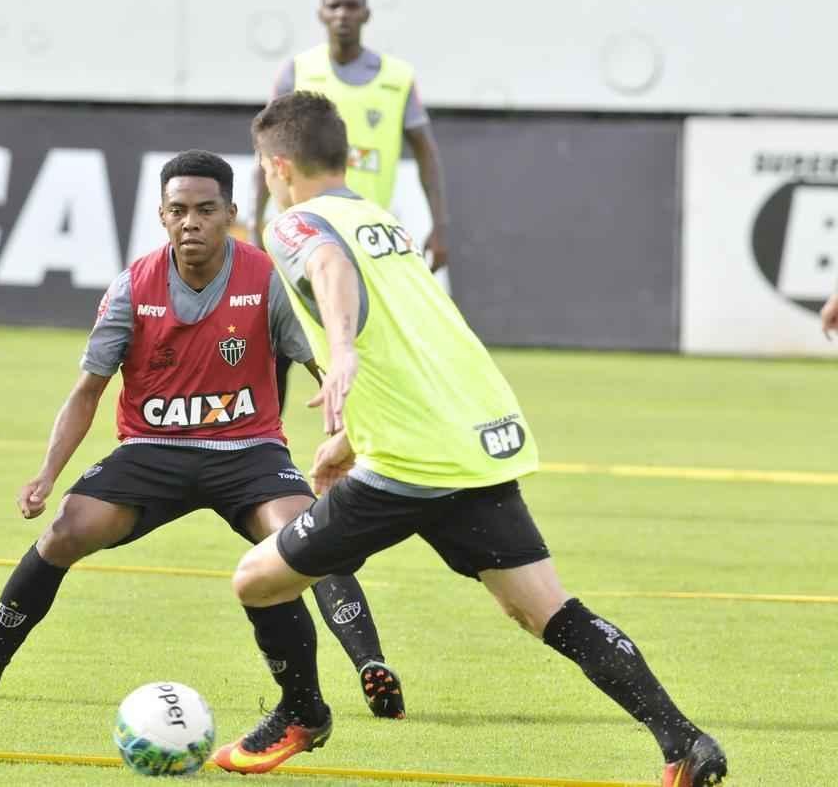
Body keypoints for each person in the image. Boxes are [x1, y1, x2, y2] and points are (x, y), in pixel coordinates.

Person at [210, 93, 728, 787]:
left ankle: (302, 712)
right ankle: (684, 740)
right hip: (471, 445)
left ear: (277, 165)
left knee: (257, 580)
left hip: (410, 467)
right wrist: (353, 438)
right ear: (347, 156)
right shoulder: (377, 217)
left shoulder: (292, 222)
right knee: (543, 608)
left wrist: (339, 351)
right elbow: (412, 343)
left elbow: (329, 273)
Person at [0, 150, 405, 720]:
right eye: (178, 210)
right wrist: (47, 474)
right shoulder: (133, 287)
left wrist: (357, 431)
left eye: (206, 210)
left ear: (231, 212)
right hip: (151, 452)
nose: (191, 222)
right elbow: (88, 391)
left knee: (308, 536)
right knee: (65, 530)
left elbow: (326, 371)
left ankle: (372, 669)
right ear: (161, 214)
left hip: (248, 450)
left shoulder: (266, 280)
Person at [252, 0, 451, 413]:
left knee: (369, 352)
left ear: (367, 13)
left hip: (363, 240)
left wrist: (440, 224)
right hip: (303, 236)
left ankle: (368, 449)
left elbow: (427, 152)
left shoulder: (398, 78)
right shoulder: (298, 71)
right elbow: (266, 148)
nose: (343, 14)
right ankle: (262, 446)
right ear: (321, 14)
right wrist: (255, 223)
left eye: (351, 5)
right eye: (334, 5)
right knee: (278, 346)